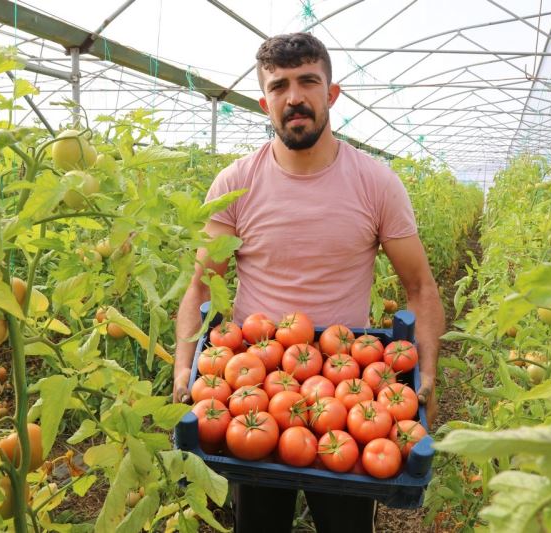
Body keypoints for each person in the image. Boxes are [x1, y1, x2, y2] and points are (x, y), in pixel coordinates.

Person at [173, 32, 445, 533]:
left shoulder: (375, 182)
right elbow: (200, 286)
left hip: (350, 387)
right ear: (264, 101)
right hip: (251, 380)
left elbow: (421, 288)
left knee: (344, 521)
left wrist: (425, 371)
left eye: (307, 81)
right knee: (259, 523)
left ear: (331, 93)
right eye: (279, 86)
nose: (294, 96)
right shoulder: (235, 183)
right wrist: (183, 366)